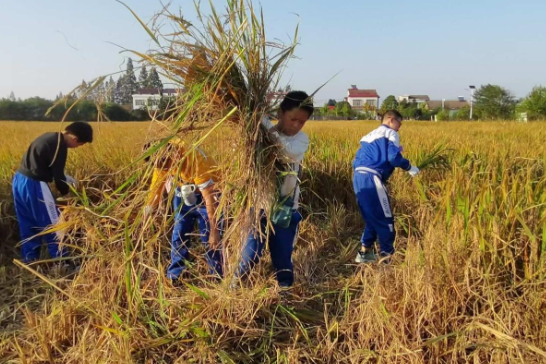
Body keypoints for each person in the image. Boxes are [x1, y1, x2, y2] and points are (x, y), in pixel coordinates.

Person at [234, 91, 314, 288]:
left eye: (301, 122)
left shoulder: (301, 140)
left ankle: (285, 288)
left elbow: (285, 152)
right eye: (293, 119)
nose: (296, 125)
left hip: (286, 209)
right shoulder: (258, 135)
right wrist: (251, 126)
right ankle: (234, 285)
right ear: (280, 112)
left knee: (282, 256)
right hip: (259, 205)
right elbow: (241, 151)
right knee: (250, 252)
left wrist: (263, 124)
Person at [143, 137, 223, 281]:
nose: (164, 170)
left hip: (208, 195)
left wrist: (214, 230)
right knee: (179, 234)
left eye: (166, 166)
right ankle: (176, 276)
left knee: (209, 237)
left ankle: (216, 277)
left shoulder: (194, 159)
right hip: (184, 192)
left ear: (172, 156)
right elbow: (156, 188)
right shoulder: (161, 157)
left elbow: (209, 196)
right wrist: (147, 214)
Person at [12, 121, 93, 263]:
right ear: (74, 138)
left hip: (19, 181)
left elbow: (43, 164)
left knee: (28, 223)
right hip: (35, 185)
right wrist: (67, 193)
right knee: (55, 225)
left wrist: (64, 177)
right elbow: (58, 177)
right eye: (80, 144)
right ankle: (64, 262)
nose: (77, 147)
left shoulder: (49, 137)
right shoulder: (59, 146)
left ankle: (30, 260)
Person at [352, 110, 419, 263]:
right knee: (385, 219)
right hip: (372, 177)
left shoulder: (368, 136)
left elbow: (356, 161)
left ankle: (364, 253)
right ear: (391, 120)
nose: (399, 127)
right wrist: (409, 167)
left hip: (358, 177)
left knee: (372, 217)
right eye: (399, 123)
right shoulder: (390, 133)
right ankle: (387, 261)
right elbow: (393, 158)